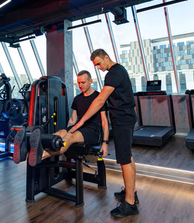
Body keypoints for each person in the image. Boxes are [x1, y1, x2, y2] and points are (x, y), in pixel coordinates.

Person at [68, 48, 139, 218]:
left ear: (106, 57)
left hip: (122, 120)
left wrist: (82, 121)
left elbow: (100, 100)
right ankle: (131, 194)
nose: (98, 67)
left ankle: (130, 204)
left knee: (124, 159)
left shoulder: (114, 73)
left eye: (99, 63)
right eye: (96, 65)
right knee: (127, 157)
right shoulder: (117, 71)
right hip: (125, 118)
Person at [41, 70, 109, 160]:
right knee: (58, 134)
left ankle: (40, 156)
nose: (80, 86)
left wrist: (105, 142)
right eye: (79, 83)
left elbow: (104, 121)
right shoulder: (77, 98)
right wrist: (66, 131)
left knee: (70, 137)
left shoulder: (99, 98)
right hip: (79, 128)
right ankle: (30, 151)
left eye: (83, 83)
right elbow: (73, 119)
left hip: (93, 132)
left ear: (90, 81)